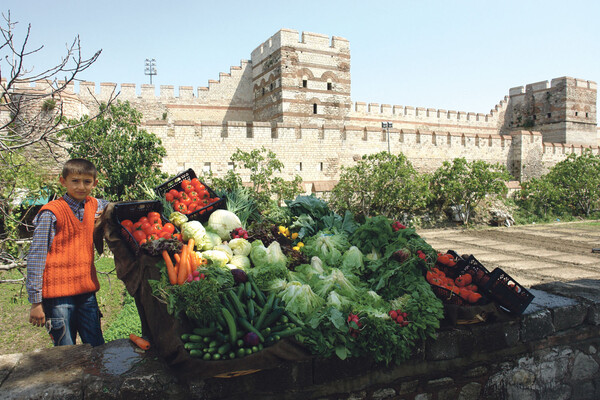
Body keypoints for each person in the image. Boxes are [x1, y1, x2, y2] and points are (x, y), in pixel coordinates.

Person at [26, 158, 109, 347]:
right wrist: (36, 302)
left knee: (96, 345)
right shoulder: (51, 213)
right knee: (65, 350)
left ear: (94, 183)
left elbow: (114, 207)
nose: (81, 186)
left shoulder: (94, 205)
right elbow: (36, 257)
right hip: (57, 297)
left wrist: (106, 213)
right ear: (63, 181)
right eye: (75, 181)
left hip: (86, 292)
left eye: (87, 182)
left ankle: (95, 377)